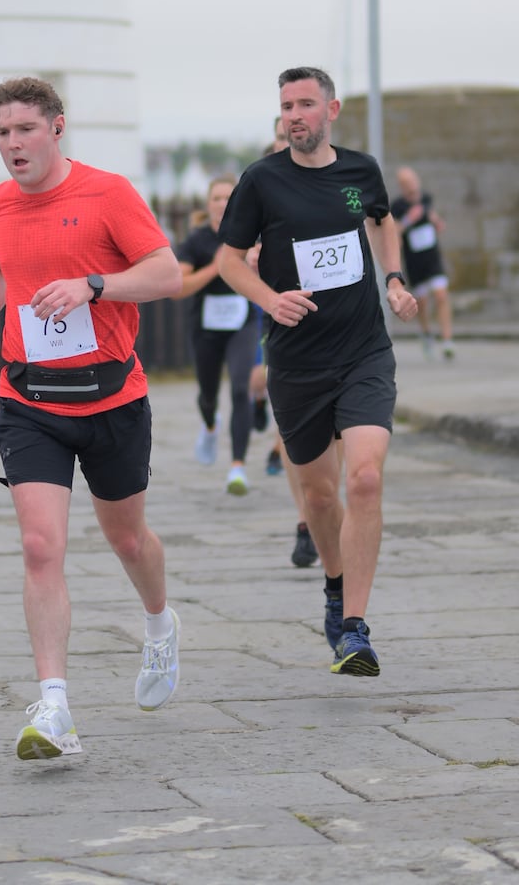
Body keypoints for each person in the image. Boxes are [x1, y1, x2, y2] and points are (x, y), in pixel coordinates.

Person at [0, 77, 183, 760]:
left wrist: (93, 285)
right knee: (38, 546)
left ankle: (159, 625)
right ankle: (54, 706)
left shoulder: (108, 193)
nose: (12, 144)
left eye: (24, 129)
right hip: (29, 402)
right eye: (2, 133)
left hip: (112, 401)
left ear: (56, 128)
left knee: (126, 538)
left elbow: (167, 274)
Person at [219, 66, 417, 676]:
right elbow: (229, 260)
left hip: (363, 352)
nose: (295, 114)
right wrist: (269, 299)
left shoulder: (360, 172)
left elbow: (381, 220)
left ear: (331, 110)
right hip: (297, 362)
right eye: (286, 105)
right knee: (321, 493)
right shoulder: (261, 181)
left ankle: (354, 628)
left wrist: (393, 279)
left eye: (306, 103)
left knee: (363, 479)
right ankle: (335, 586)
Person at [256, 119, 320, 567]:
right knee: (294, 431)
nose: (287, 143)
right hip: (282, 324)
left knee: (332, 437)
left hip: (336, 323)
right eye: (279, 137)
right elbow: (235, 254)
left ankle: (322, 509)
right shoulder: (260, 189)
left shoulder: (331, 182)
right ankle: (305, 523)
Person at [174, 175, 259, 496]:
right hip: (206, 327)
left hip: (243, 322)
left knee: (241, 388)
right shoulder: (195, 241)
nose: (223, 204)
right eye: (217, 199)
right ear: (208, 204)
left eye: (229, 198)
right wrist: (218, 266)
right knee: (207, 393)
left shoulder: (250, 235)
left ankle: (238, 466)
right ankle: (210, 426)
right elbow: (180, 288)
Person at [391, 167, 455, 359]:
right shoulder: (397, 206)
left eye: (412, 181)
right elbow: (395, 232)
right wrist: (408, 220)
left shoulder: (426, 199)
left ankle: (447, 340)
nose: (411, 185)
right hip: (414, 261)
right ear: (401, 186)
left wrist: (437, 223)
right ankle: (426, 333)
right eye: (406, 183)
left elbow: (434, 218)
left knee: (442, 295)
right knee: (423, 302)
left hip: (432, 257)